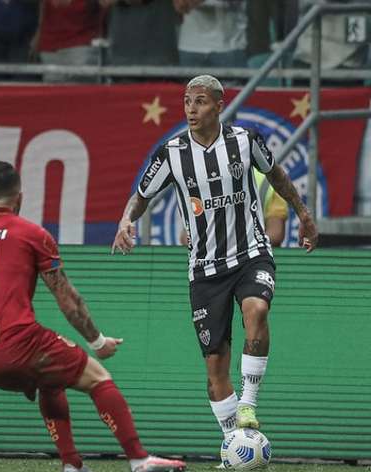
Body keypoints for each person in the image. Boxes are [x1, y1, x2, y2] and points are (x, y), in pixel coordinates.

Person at [111, 75, 318, 443]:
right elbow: (142, 194)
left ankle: (249, 403)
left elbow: (278, 177)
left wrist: (303, 214)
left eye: (201, 101)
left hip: (250, 253)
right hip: (205, 269)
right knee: (215, 368)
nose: (192, 109)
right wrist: (127, 219)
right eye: (187, 101)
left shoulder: (245, 142)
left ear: (219, 106)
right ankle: (233, 442)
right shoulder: (172, 153)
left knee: (257, 310)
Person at [0, 161, 186, 472]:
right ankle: (138, 458)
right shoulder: (31, 234)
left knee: (51, 379)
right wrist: (98, 341)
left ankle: (72, 464)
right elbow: (68, 300)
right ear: (20, 198)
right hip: (17, 342)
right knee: (98, 377)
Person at [179, 167, 289, 247]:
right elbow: (187, 236)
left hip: (256, 263)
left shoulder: (268, 184)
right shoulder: (203, 182)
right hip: (211, 265)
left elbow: (276, 234)